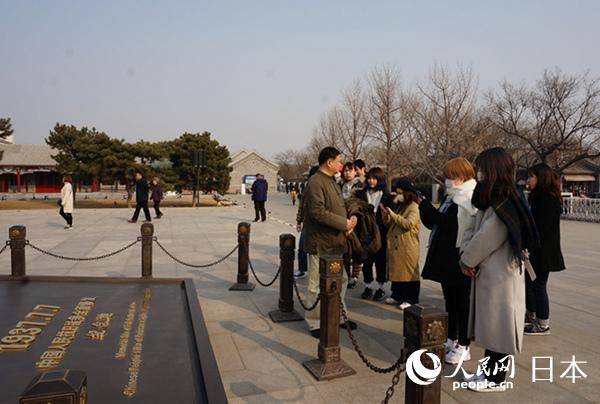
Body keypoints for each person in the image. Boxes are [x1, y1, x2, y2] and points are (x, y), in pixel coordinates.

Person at [460, 147, 539, 393]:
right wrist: (468, 256)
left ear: (492, 169)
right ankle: (489, 371)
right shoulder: (497, 197)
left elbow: (487, 236)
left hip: (500, 275)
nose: (478, 172)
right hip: (493, 272)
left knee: (499, 328)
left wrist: (467, 260)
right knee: (493, 327)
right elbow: (475, 231)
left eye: (481, 167)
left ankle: (496, 379)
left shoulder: (505, 200)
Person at [418, 158, 477, 365]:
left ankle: (464, 344)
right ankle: (451, 338)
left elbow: (449, 224)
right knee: (450, 301)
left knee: (462, 303)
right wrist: (423, 208)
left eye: (450, 176)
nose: (447, 180)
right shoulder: (450, 197)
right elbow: (435, 224)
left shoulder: (468, 197)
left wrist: (426, 205)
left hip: (460, 257)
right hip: (445, 257)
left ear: (462, 176)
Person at [302, 147, 358, 338]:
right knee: (315, 283)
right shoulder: (316, 182)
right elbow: (317, 212)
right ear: (329, 162)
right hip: (320, 243)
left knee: (340, 280)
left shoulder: (332, 181)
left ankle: (339, 317)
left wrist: (349, 221)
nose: (341, 165)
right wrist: (343, 223)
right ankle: (314, 321)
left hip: (335, 242)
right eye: (338, 161)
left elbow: (337, 207)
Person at [525, 163, 565, 336]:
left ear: (541, 178)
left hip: (543, 251)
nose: (528, 180)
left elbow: (541, 227)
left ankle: (543, 324)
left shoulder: (547, 198)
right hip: (537, 249)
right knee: (531, 284)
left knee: (539, 285)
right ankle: (532, 315)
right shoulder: (538, 196)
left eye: (531, 177)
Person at [382, 178, 421, 309]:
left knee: (408, 273)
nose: (397, 195)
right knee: (398, 272)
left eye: (400, 192)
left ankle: (411, 298)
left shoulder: (414, 207)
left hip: (407, 246)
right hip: (398, 245)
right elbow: (391, 224)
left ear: (407, 193)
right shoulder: (401, 206)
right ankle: (397, 295)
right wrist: (387, 216)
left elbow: (408, 224)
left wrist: (393, 215)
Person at [357, 167, 393, 301]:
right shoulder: (361, 194)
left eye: (375, 178)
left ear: (380, 179)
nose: (371, 181)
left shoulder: (387, 196)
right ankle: (367, 286)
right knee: (366, 260)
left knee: (380, 261)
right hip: (365, 232)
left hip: (381, 232)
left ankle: (380, 287)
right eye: (370, 178)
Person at [294, 166, 319, 279]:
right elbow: (302, 207)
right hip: (307, 223)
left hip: (321, 224)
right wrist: (299, 221)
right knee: (303, 247)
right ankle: (302, 269)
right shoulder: (307, 188)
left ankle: (320, 271)